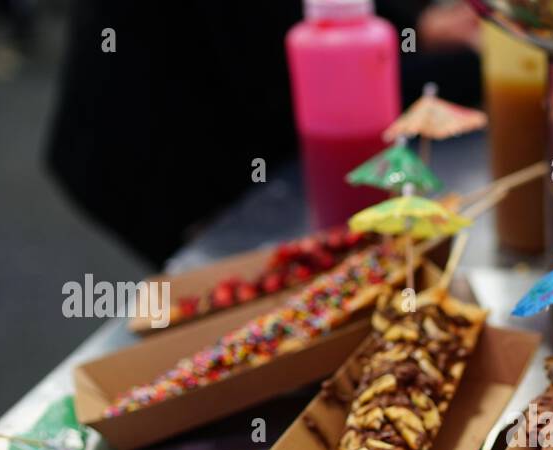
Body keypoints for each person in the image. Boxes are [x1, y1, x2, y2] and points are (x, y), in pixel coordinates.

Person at [46, 0, 481, 267]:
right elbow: (306, 77)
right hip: (145, 146)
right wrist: (483, 62)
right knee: (222, 286)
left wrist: (412, 27)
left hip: (225, 87)